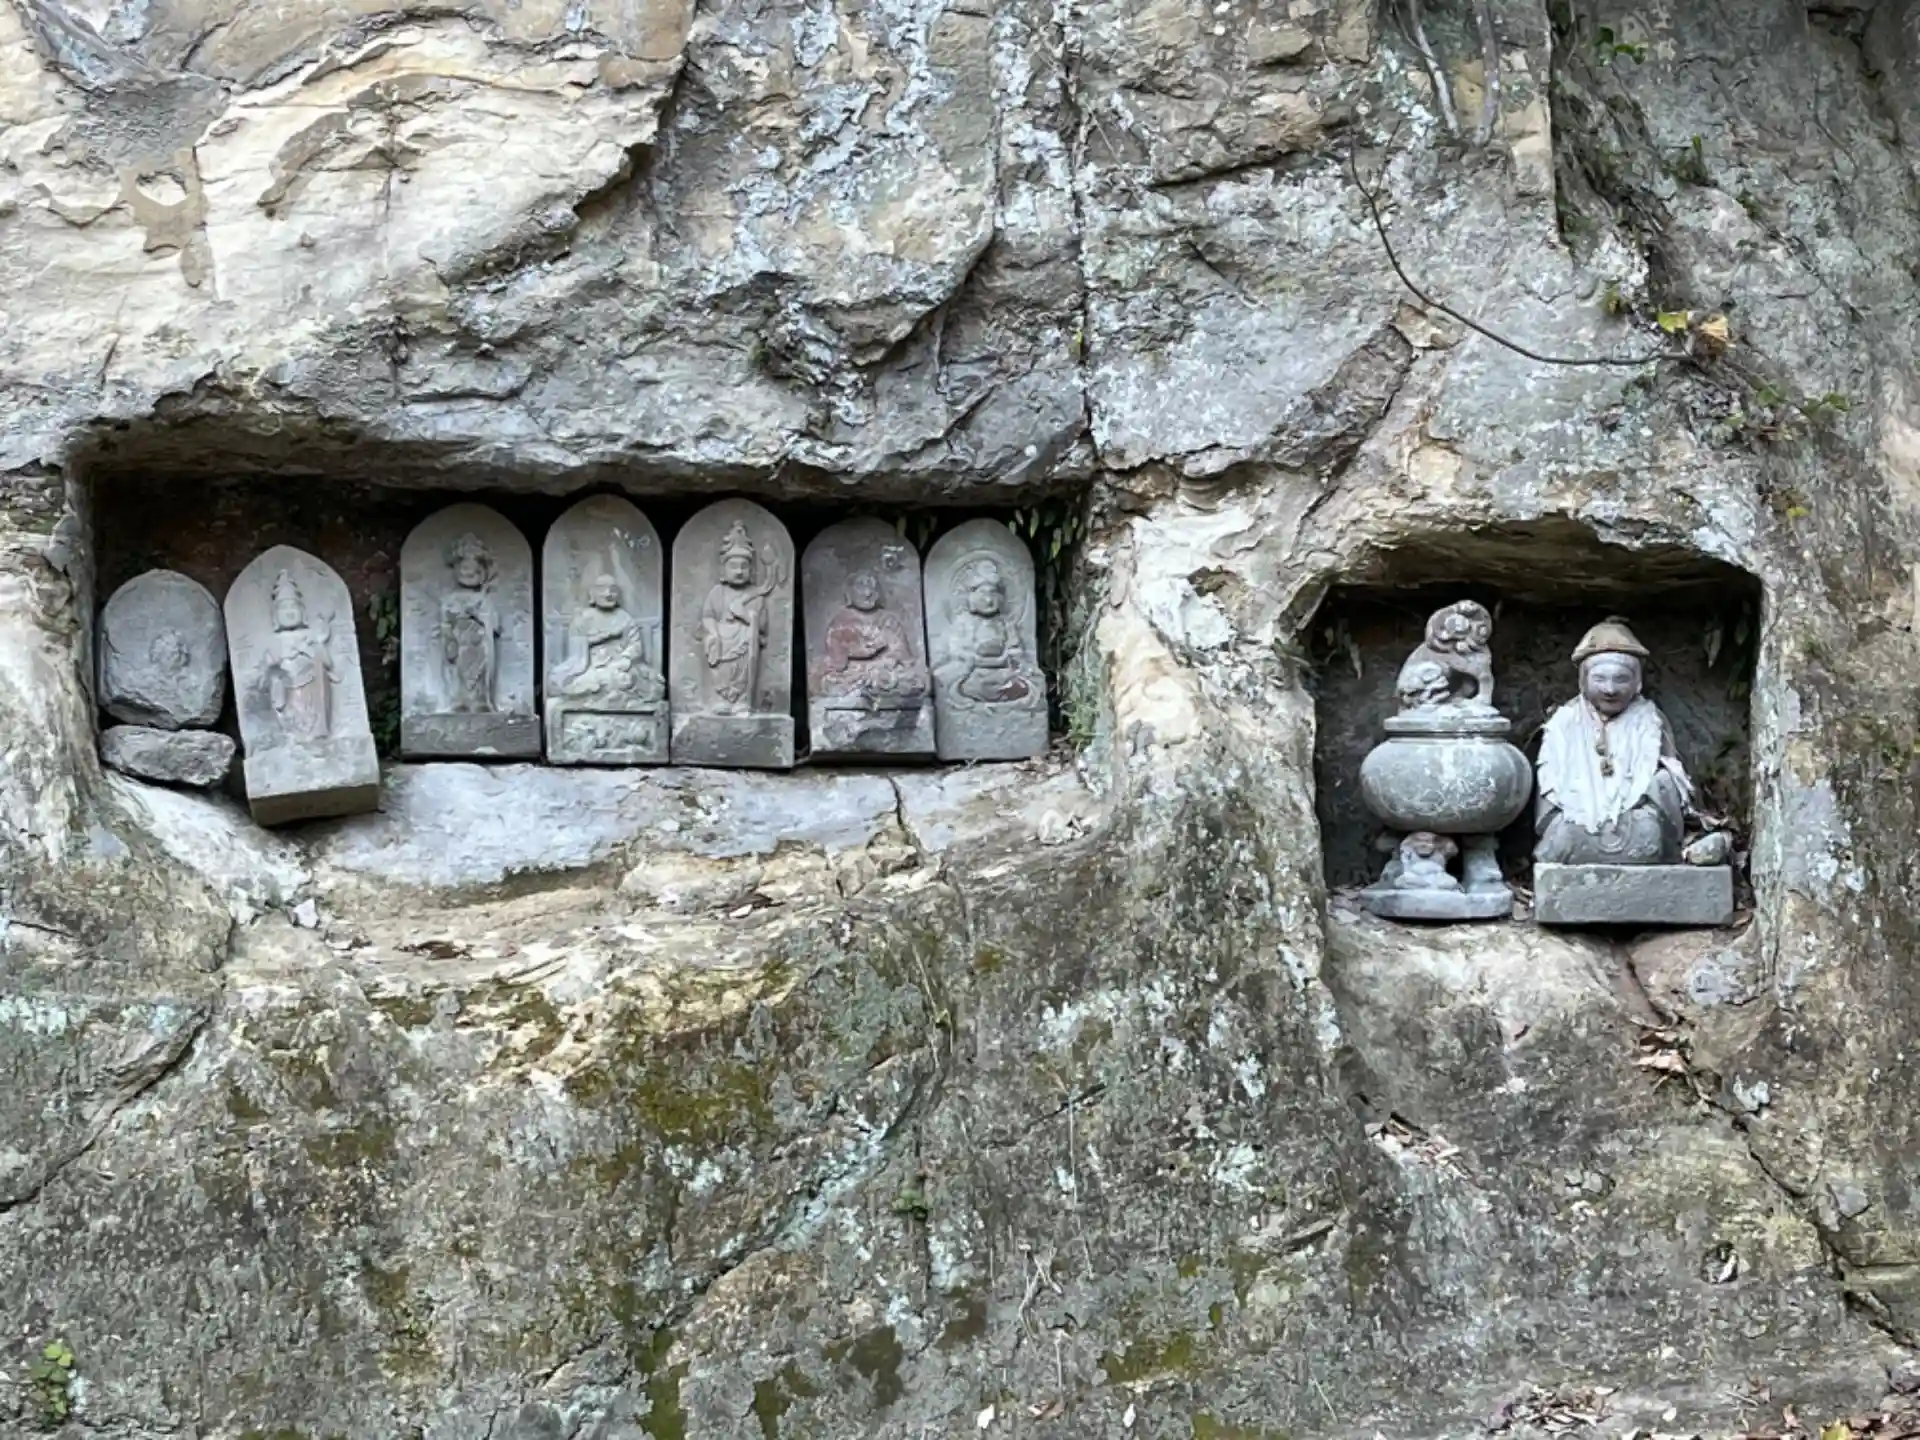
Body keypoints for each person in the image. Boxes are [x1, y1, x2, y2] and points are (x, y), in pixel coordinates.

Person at [1535, 618, 1690, 864]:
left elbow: (1669, 779)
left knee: (1651, 827)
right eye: (1600, 679)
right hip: (1577, 818)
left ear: (1637, 683)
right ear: (1583, 681)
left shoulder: (1650, 720)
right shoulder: (1564, 721)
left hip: (1633, 820)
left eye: (1621, 679)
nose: (1610, 689)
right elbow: (1549, 783)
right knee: (1562, 837)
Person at [700, 521, 778, 712]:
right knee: (716, 652)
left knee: (746, 657)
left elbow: (762, 625)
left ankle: (743, 700)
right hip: (722, 640)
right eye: (733, 566)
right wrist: (714, 632)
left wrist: (746, 617)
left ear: (751, 570)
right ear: (723, 569)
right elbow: (708, 616)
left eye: (744, 567)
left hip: (744, 640)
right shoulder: (717, 592)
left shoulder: (756, 595)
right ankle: (723, 697)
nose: (739, 571)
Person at [816, 570, 925, 703]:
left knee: (915, 678)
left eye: (872, 586)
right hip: (853, 673)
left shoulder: (888, 620)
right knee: (828, 681)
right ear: (849, 593)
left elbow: (903, 654)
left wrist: (888, 659)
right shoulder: (841, 622)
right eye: (861, 586)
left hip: (884, 671)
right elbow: (837, 662)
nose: (868, 592)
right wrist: (861, 650)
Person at [264, 569, 336, 741]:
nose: (289, 612)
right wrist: (281, 660)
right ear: (275, 616)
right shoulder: (275, 640)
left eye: (293, 607)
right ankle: (290, 732)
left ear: (302, 612)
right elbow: (268, 666)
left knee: (319, 672)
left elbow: (327, 663)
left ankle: (319, 728)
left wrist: (310, 649)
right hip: (287, 687)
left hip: (311, 686)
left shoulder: (310, 636)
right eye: (284, 608)